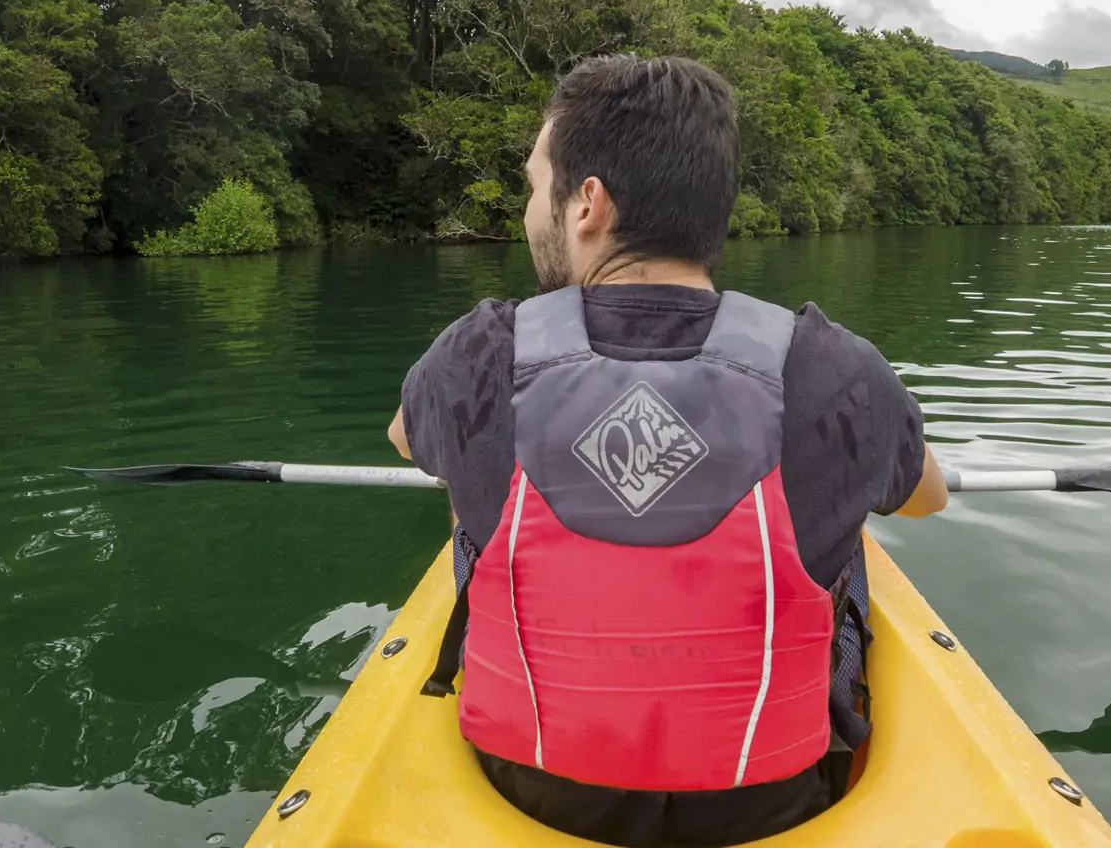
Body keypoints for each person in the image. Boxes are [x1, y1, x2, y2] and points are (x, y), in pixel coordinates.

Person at [388, 54, 947, 847]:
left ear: (588, 204)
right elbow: (928, 497)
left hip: (528, 799)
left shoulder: (478, 353)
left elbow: (406, 439)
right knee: (847, 527)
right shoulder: (835, 367)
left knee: (472, 508)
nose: (526, 211)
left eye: (532, 186)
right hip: (770, 808)